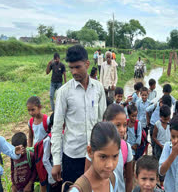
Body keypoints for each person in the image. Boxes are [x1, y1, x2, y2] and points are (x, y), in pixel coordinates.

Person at [51, 45, 106, 184]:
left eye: (77, 67)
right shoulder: (64, 92)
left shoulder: (98, 88)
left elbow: (102, 122)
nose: (74, 71)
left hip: (95, 155)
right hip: (72, 156)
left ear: (87, 64)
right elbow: (57, 128)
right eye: (71, 68)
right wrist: (57, 162)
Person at [85, 104, 133, 192]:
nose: (122, 130)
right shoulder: (95, 147)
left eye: (125, 125)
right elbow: (87, 178)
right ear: (105, 122)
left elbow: (129, 179)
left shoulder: (126, 148)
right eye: (117, 125)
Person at [69, 122, 120, 192]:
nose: (110, 165)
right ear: (90, 151)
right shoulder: (79, 190)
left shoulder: (113, 179)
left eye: (115, 156)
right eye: (103, 157)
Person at [152, 105, 171, 187]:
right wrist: (160, 145)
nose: (166, 121)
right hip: (159, 148)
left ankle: (165, 180)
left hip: (167, 147)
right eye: (165, 119)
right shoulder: (157, 124)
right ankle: (161, 182)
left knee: (167, 163)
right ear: (160, 117)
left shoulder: (170, 124)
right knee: (159, 164)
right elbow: (154, 137)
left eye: (168, 119)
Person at [42, 113, 62, 192]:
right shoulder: (48, 140)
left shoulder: (63, 135)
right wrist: (52, 177)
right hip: (54, 175)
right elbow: (45, 160)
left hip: (62, 172)